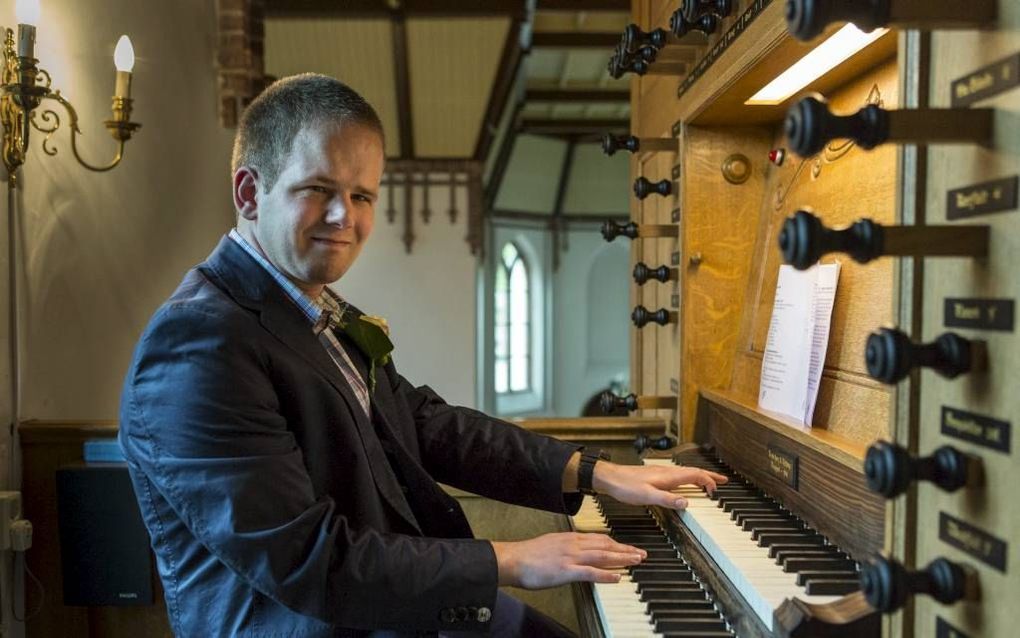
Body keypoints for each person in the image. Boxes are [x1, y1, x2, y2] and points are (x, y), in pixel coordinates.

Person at [119, 73, 726, 638]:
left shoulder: (311, 307)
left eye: (362, 196)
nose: (346, 218)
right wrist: (514, 559)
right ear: (251, 192)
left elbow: (427, 425)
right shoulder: (199, 344)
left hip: (395, 609)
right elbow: (309, 562)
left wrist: (596, 472)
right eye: (319, 190)